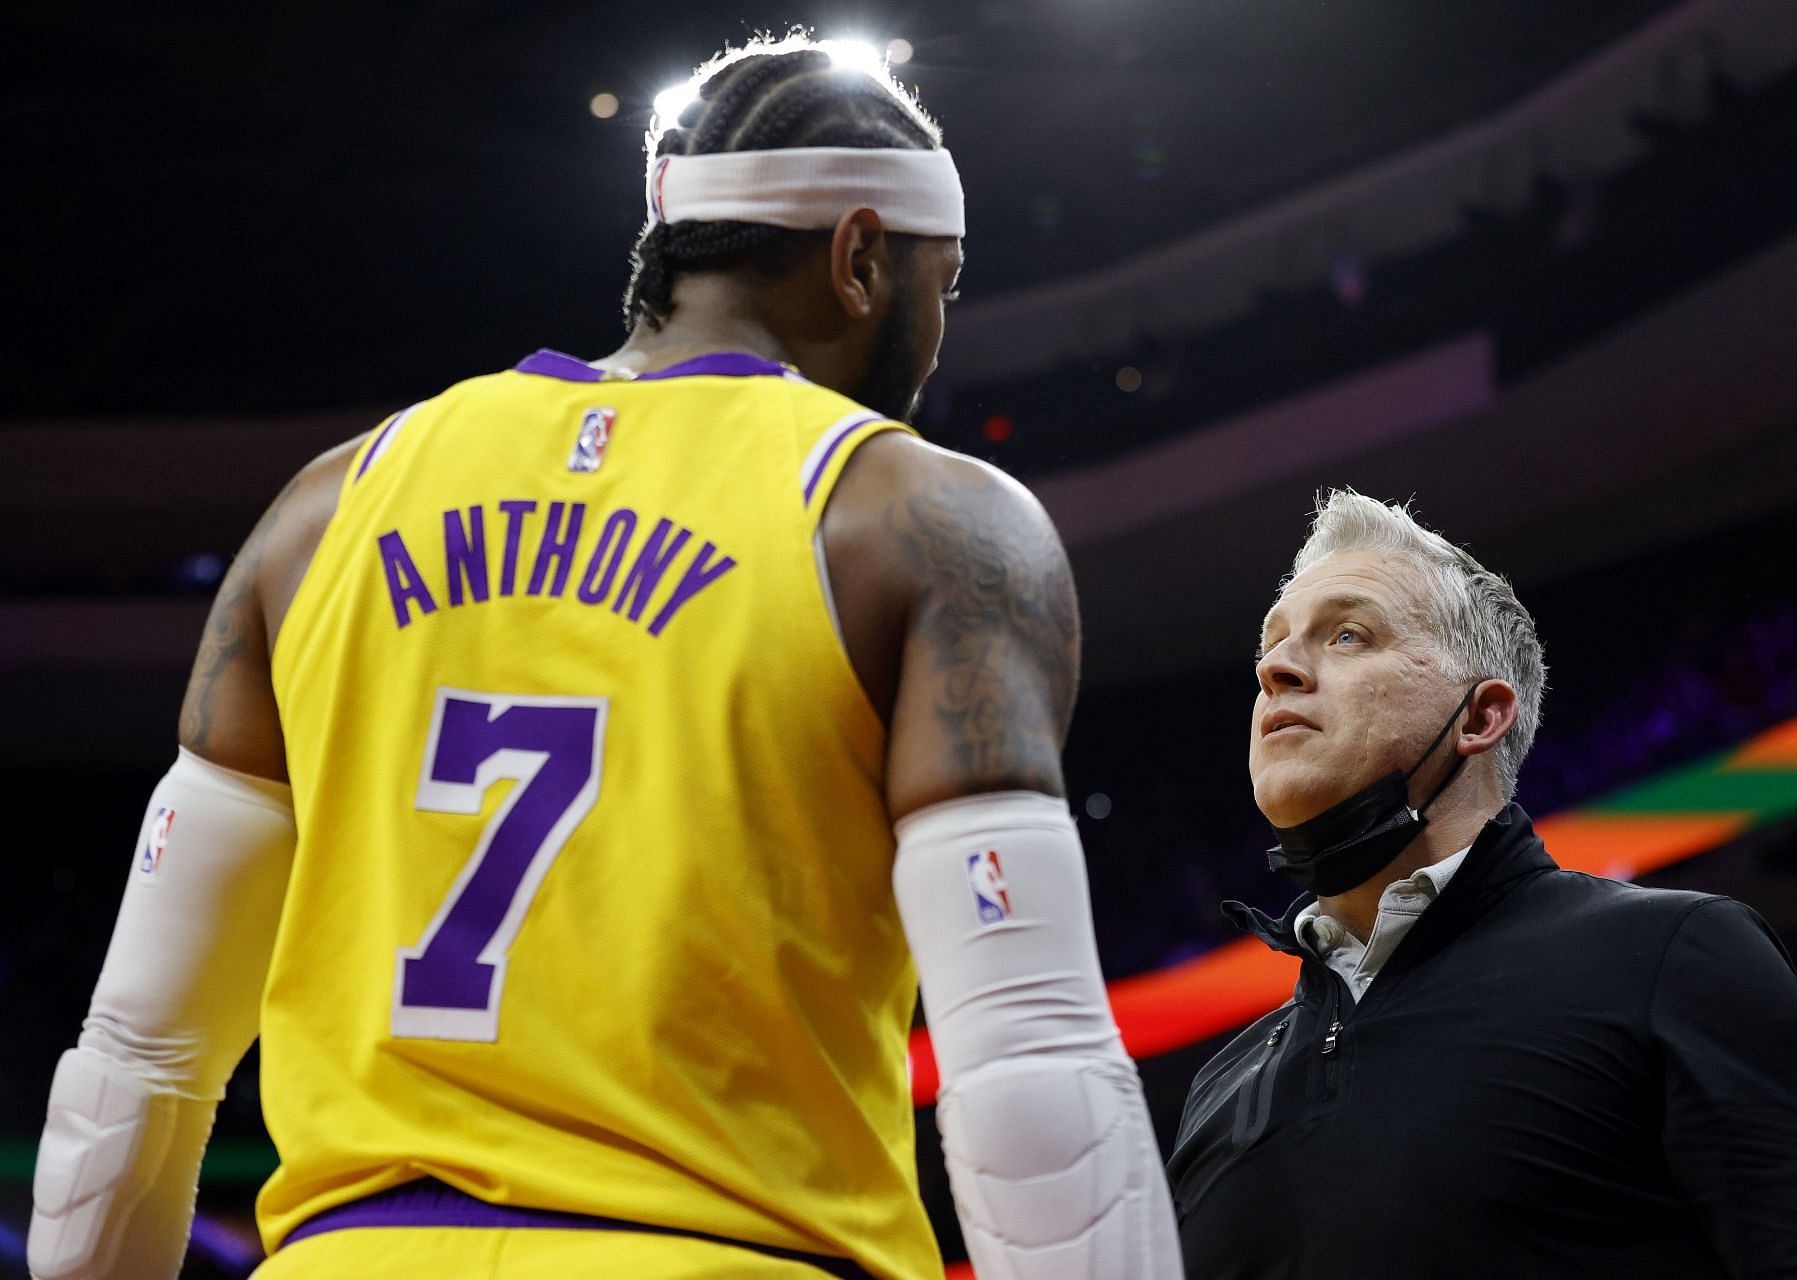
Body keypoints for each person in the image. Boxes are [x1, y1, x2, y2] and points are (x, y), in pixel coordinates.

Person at [28, 36, 1181, 1280]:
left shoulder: (327, 503)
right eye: (943, 283)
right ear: (861, 259)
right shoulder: (913, 515)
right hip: (718, 1250)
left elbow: (138, 1055)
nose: (942, 328)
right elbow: (1029, 1056)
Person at [1169, 490, 1797, 1279]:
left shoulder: (1671, 956)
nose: (1275, 668)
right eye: (1274, 644)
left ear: (1480, 716)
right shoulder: (1220, 1084)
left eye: (1349, 635)